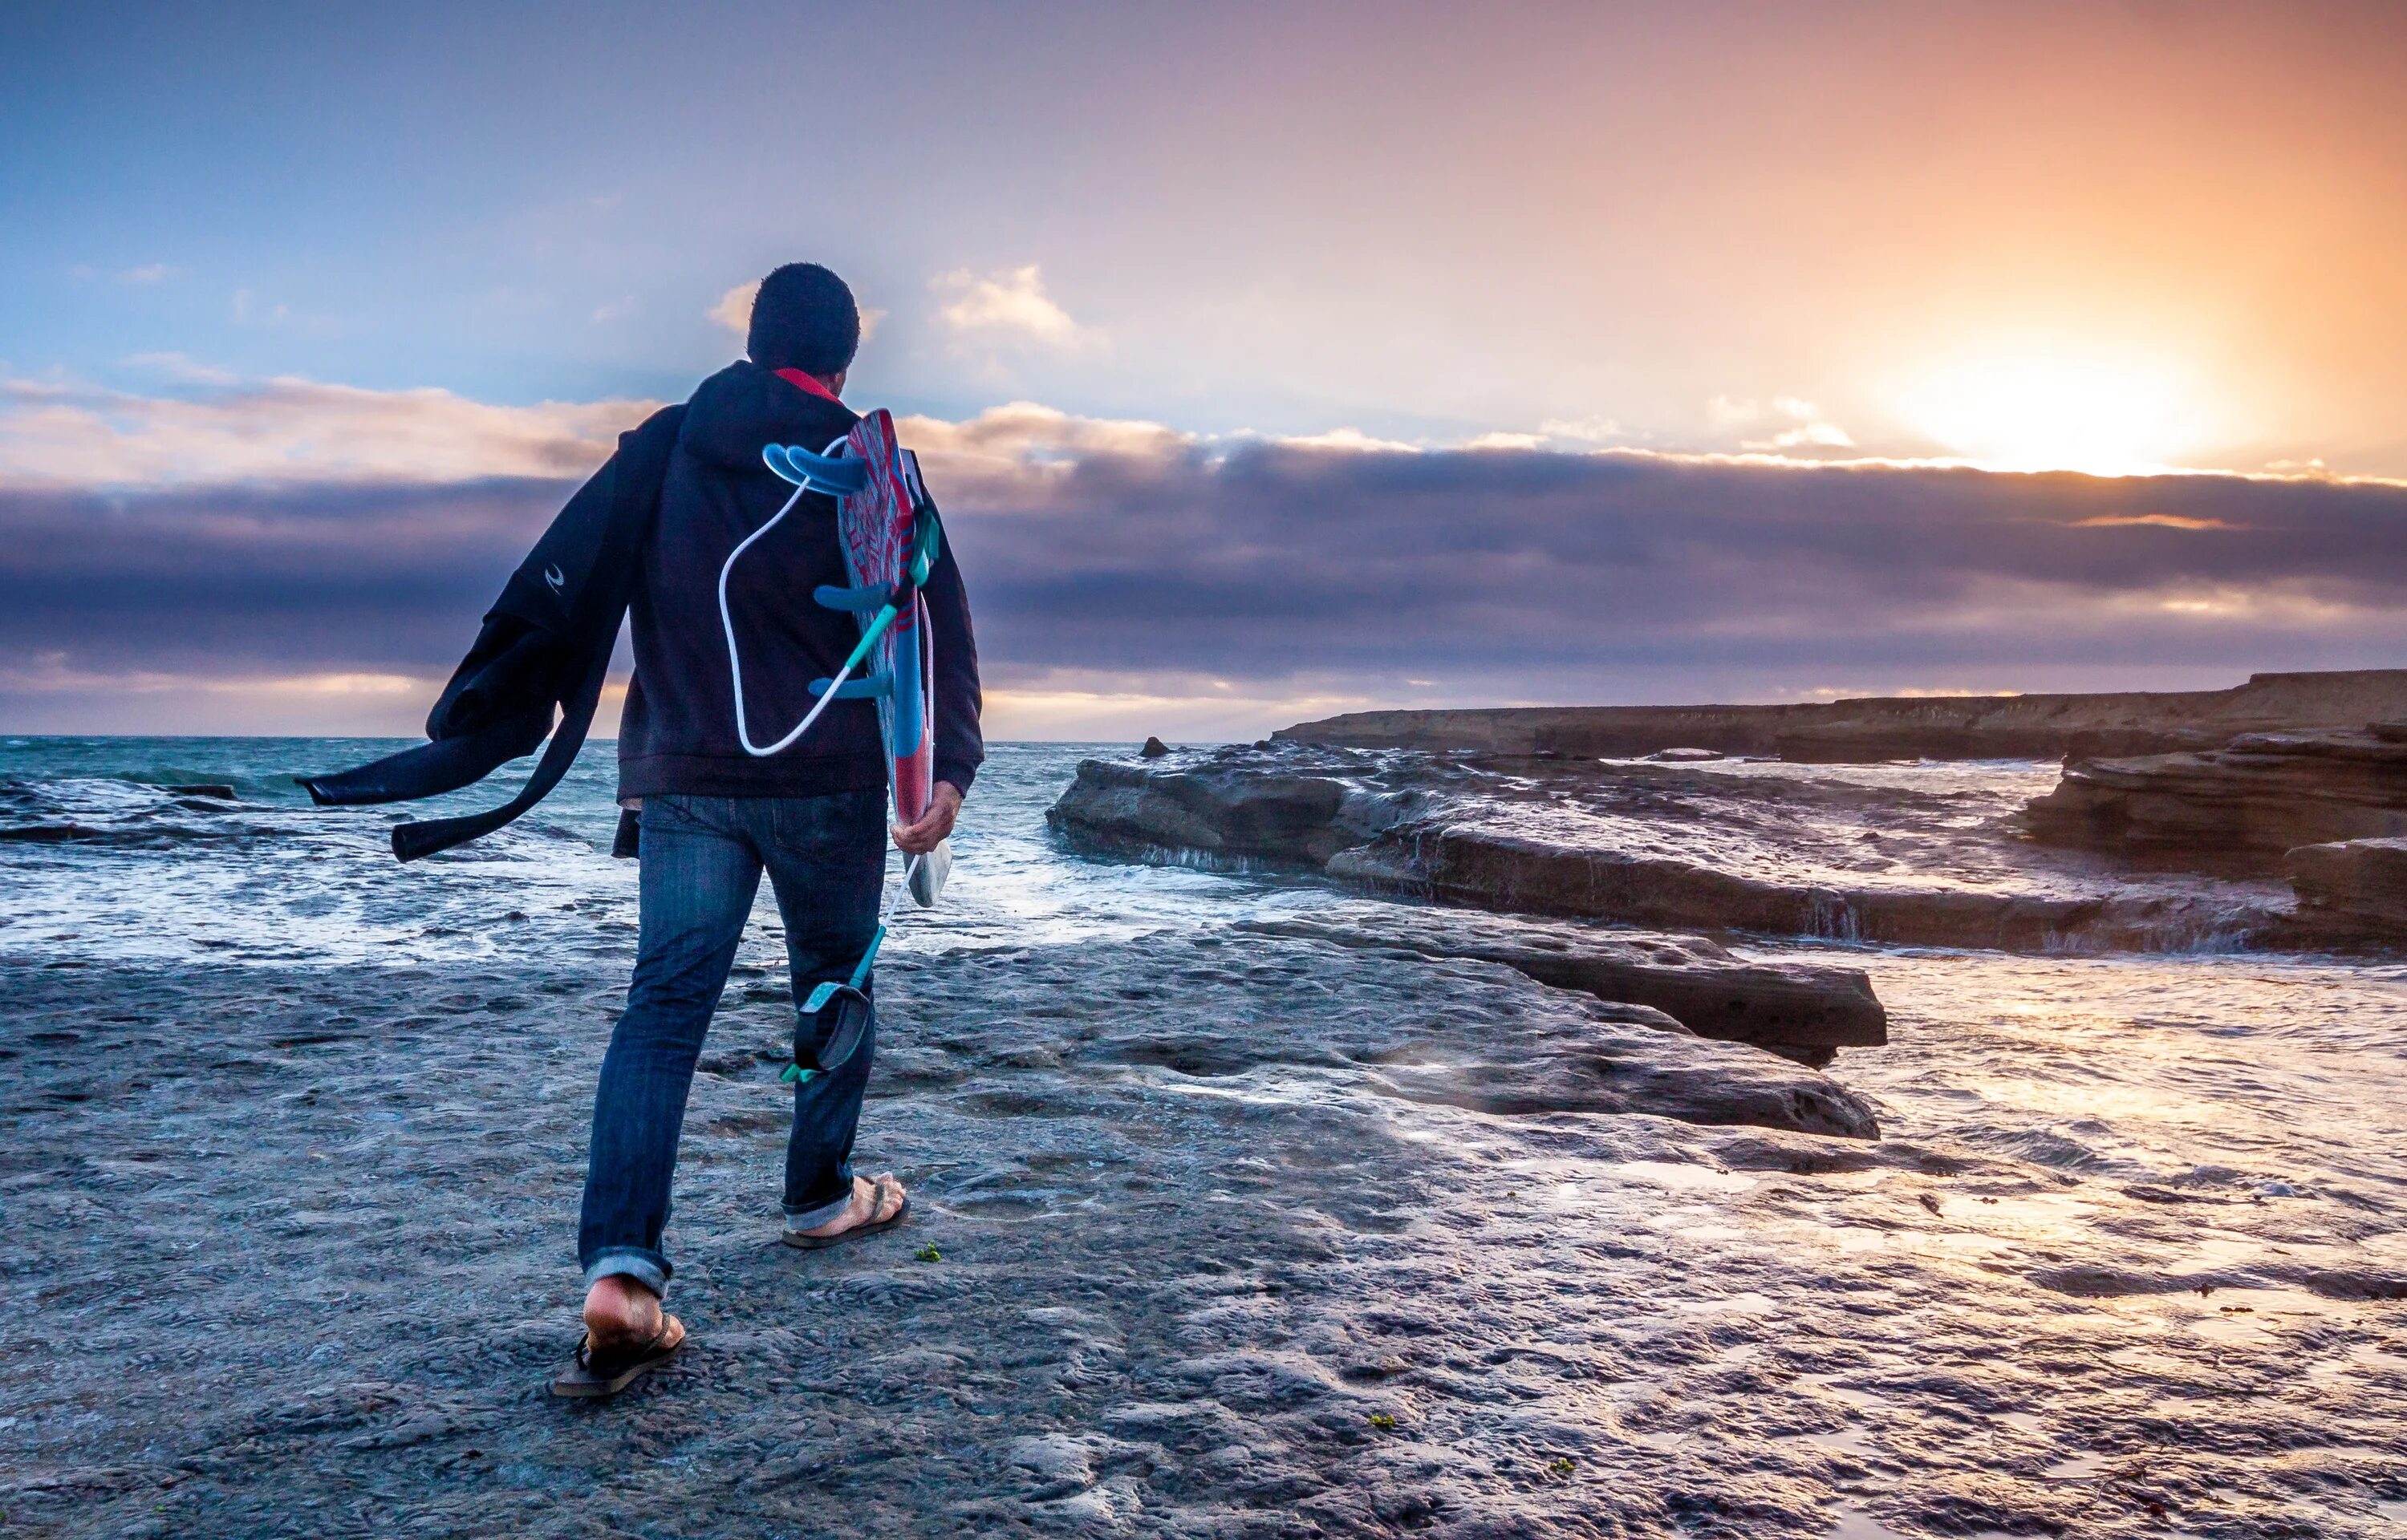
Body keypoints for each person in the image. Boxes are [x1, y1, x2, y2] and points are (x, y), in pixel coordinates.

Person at [559, 263, 983, 1396]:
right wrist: (950, 774)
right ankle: (817, 1197)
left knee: (663, 1007)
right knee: (832, 985)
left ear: (752, 342)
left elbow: (589, 588)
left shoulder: (663, 445)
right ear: (843, 361)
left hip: (686, 775)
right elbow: (936, 615)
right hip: (830, 781)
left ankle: (622, 1276)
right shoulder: (870, 460)